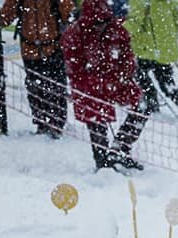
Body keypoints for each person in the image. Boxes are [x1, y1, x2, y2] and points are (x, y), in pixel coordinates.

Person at [61, 0, 144, 171]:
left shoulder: (117, 30)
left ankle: (120, 148)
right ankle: (102, 160)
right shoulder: (76, 33)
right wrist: (94, 82)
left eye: (104, 22)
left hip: (116, 82)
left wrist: (122, 76)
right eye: (97, 22)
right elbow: (74, 67)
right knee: (95, 116)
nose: (101, 26)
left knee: (142, 105)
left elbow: (127, 58)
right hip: (89, 87)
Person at [0, 0, 74, 138]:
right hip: (31, 48)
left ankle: (56, 124)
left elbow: (68, 15)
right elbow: (4, 18)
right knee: (36, 88)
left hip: (52, 46)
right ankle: (43, 123)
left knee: (55, 87)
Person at [123, 0, 178, 128]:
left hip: (146, 49)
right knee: (168, 85)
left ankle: (150, 106)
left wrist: (120, 28)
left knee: (141, 79)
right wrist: (167, 39)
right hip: (164, 49)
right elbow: (177, 19)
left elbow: (136, 23)